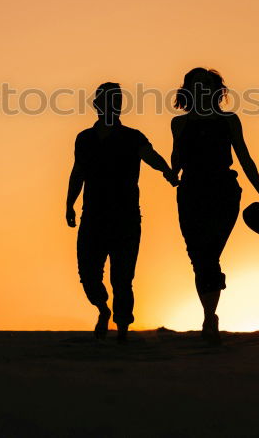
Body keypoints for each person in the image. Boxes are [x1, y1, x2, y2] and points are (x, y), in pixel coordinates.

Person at [66, 82, 178, 342]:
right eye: (106, 100)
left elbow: (150, 155)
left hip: (126, 217)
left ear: (119, 105)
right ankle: (103, 309)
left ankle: (123, 329)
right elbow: (77, 172)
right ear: (97, 105)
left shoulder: (132, 136)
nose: (111, 105)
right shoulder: (84, 139)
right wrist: (69, 203)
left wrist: (167, 172)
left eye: (115, 100)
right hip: (92, 216)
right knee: (88, 275)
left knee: (122, 278)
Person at [170, 67, 259, 344]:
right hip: (190, 192)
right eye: (195, 84)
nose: (201, 88)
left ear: (215, 89)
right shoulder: (179, 124)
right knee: (198, 257)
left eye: (206, 83)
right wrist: (171, 172)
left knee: (209, 254)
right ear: (188, 90)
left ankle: (208, 319)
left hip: (223, 191)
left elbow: (245, 158)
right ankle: (210, 316)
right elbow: (176, 160)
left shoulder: (229, 120)